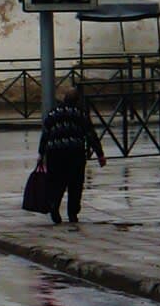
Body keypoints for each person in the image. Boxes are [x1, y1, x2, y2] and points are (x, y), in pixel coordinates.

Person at [37, 81, 108, 225]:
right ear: (77, 100)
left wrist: (41, 153)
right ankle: (72, 212)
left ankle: (54, 206)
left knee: (56, 182)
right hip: (75, 152)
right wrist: (100, 154)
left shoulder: (53, 113)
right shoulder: (80, 114)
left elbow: (45, 134)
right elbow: (90, 134)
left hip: (55, 153)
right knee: (75, 184)